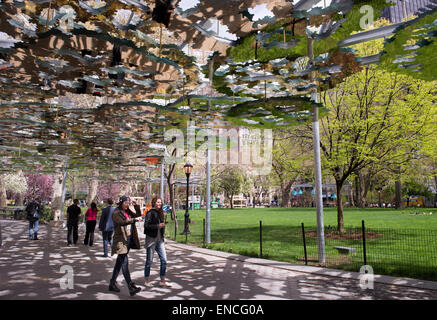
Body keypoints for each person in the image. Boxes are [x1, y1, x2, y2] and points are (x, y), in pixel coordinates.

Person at [109, 196, 142, 296]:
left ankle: (112, 283)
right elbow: (122, 222)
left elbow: (138, 215)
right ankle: (130, 286)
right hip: (120, 241)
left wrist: (135, 205)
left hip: (128, 239)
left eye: (128, 203)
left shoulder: (127, 211)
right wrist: (134, 220)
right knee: (124, 263)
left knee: (119, 262)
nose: (127, 205)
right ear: (121, 202)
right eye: (126, 203)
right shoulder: (116, 213)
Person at [144, 197, 170, 288]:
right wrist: (158, 226)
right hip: (151, 240)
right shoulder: (150, 213)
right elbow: (146, 226)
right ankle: (147, 280)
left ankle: (162, 279)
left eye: (160, 202)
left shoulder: (160, 213)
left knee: (164, 260)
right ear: (154, 202)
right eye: (158, 202)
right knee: (149, 261)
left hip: (160, 240)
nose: (159, 204)